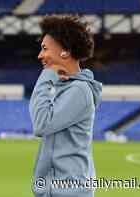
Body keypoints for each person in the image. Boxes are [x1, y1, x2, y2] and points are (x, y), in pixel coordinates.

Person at [29, 15, 102, 197]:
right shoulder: (67, 86)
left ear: (65, 51)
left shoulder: (79, 90)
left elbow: (41, 124)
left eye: (45, 49)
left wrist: (46, 76)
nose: (40, 55)